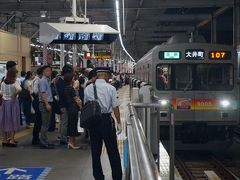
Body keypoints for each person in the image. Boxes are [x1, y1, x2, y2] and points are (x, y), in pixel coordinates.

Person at [84, 67, 123, 180]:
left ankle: (98, 176)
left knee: (95, 152)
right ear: (105, 75)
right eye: (109, 75)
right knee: (113, 151)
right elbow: (115, 107)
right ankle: (117, 176)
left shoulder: (88, 88)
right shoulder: (111, 88)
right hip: (106, 121)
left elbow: (86, 106)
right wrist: (119, 122)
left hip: (93, 121)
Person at [0, 68, 21, 147]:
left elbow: (1, 93)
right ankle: (12, 140)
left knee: (5, 121)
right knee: (13, 120)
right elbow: (19, 89)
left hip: (4, 103)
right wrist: (15, 94)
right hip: (12, 103)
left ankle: (5, 140)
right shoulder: (14, 83)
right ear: (13, 75)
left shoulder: (3, 83)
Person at [56, 65, 73, 145]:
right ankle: (63, 138)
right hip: (63, 104)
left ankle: (64, 136)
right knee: (64, 122)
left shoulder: (64, 81)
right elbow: (63, 94)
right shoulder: (60, 82)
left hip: (65, 104)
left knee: (64, 121)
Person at [64, 72, 82, 149]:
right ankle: (71, 142)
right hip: (73, 108)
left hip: (69, 107)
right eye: (73, 78)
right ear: (71, 79)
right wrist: (81, 107)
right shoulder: (70, 88)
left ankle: (72, 142)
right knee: (72, 125)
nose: (74, 79)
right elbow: (76, 99)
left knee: (72, 124)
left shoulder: (66, 88)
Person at [38, 65, 54, 149]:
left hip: (47, 103)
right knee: (45, 124)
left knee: (47, 124)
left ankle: (45, 140)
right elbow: (43, 93)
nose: (49, 72)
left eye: (50, 70)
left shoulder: (47, 80)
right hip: (44, 103)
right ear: (43, 72)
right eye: (47, 70)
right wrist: (47, 104)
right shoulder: (43, 81)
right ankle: (43, 142)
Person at [32, 67, 42, 145]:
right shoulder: (38, 80)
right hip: (37, 101)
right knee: (38, 120)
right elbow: (35, 91)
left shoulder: (36, 79)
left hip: (36, 101)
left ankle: (36, 137)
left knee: (38, 120)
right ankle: (35, 138)